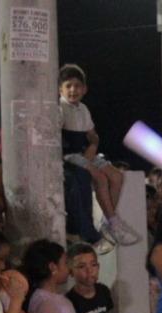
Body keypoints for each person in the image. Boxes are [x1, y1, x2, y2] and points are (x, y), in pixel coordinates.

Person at [58, 64, 127, 239]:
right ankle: (112, 221)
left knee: (117, 177)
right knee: (100, 178)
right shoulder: (59, 108)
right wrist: (87, 153)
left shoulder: (84, 109)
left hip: (86, 151)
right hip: (70, 154)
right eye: (68, 86)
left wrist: (92, 148)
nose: (73, 90)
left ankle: (108, 220)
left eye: (77, 86)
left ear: (85, 89)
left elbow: (93, 136)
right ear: (60, 89)